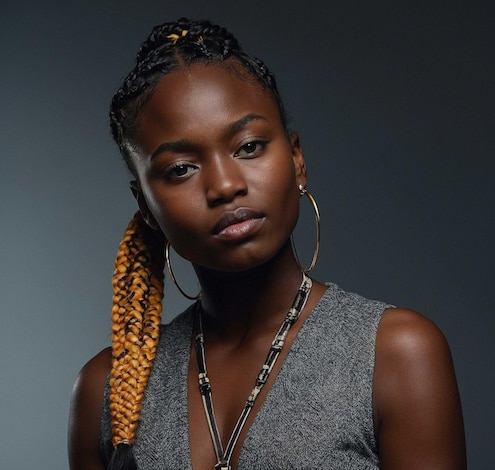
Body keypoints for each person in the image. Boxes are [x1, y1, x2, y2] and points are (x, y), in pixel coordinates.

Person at [68, 17, 466, 470]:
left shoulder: (395, 353)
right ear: (145, 205)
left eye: (250, 146)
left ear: (297, 160)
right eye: (181, 169)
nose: (224, 185)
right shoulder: (107, 390)